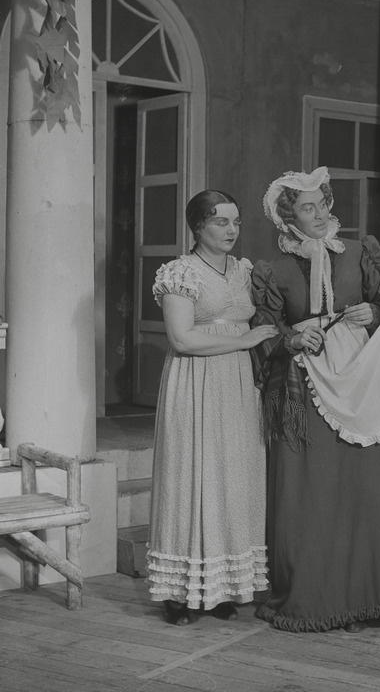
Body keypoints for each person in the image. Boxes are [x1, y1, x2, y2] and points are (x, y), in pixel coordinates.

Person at [250, 166, 380, 633]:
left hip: (363, 377)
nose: (321, 213)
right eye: (308, 208)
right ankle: (319, 597)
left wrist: (376, 310)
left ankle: (376, 595)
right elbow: (264, 331)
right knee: (317, 487)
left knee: (366, 484)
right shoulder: (274, 270)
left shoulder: (358, 253)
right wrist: (290, 339)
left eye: (323, 203)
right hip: (307, 385)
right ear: (289, 218)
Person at [146, 190, 277, 626]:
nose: (231, 230)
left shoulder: (244, 270)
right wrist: (242, 340)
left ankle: (222, 587)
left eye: (236, 222)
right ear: (197, 226)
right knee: (191, 476)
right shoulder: (180, 272)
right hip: (195, 381)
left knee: (233, 479)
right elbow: (182, 338)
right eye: (220, 222)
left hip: (239, 382)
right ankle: (180, 593)